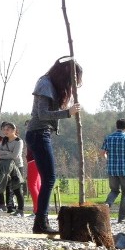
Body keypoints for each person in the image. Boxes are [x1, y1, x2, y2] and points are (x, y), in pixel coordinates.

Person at [25, 57, 82, 235]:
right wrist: (68, 112)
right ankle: (40, 222)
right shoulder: (45, 83)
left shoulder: (50, 84)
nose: (72, 85)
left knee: (48, 178)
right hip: (38, 134)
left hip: (41, 134)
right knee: (49, 179)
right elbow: (42, 114)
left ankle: (40, 222)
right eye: (72, 80)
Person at [0, 122, 25, 217]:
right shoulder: (4, 140)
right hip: (5, 167)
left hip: (17, 167)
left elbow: (15, 156)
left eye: (8, 129)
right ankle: (3, 206)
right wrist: (8, 153)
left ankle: (20, 210)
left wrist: (5, 153)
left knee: (17, 189)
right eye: (4, 129)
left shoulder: (19, 141)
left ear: (14, 130)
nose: (5, 131)